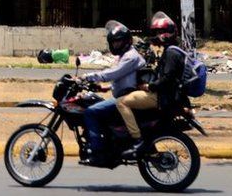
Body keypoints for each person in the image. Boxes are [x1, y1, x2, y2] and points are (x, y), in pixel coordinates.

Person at [116, 12, 188, 159]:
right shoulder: (173, 50)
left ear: (168, 33)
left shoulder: (171, 53)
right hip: (167, 94)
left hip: (162, 96)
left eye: (160, 32)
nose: (158, 35)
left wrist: (150, 87)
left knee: (121, 102)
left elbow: (167, 78)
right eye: (157, 32)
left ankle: (137, 140)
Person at [78, 20, 145, 165]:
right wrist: (105, 88)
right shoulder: (126, 55)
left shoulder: (130, 57)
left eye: (118, 42)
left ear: (126, 41)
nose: (115, 45)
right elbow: (124, 79)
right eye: (113, 43)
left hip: (127, 98)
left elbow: (113, 73)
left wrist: (87, 76)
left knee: (90, 112)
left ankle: (97, 151)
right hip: (126, 94)